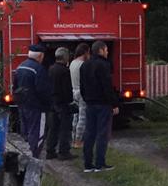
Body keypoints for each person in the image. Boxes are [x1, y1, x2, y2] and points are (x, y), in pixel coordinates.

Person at [80, 40, 119, 172]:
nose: (107, 52)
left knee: (89, 133)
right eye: (106, 50)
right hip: (103, 104)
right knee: (102, 133)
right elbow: (107, 86)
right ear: (101, 50)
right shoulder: (104, 65)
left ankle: (87, 164)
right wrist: (114, 103)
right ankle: (99, 163)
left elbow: (82, 87)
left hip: (90, 103)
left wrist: (86, 99)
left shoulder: (84, 65)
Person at [12, 43, 52, 158]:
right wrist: (48, 104)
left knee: (26, 132)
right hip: (37, 107)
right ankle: (33, 158)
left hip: (23, 105)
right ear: (40, 56)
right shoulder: (39, 69)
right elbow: (42, 90)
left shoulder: (20, 67)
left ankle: (25, 155)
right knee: (37, 134)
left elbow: (15, 87)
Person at [45, 47, 75, 160]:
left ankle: (50, 151)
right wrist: (70, 101)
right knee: (65, 128)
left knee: (53, 128)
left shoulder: (51, 69)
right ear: (65, 57)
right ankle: (64, 151)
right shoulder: (64, 71)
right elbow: (67, 89)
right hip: (62, 104)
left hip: (52, 103)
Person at [70, 42, 90, 150]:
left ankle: (73, 139)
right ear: (85, 52)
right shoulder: (83, 64)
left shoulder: (72, 63)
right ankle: (78, 141)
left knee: (75, 117)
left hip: (74, 91)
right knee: (82, 117)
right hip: (82, 93)